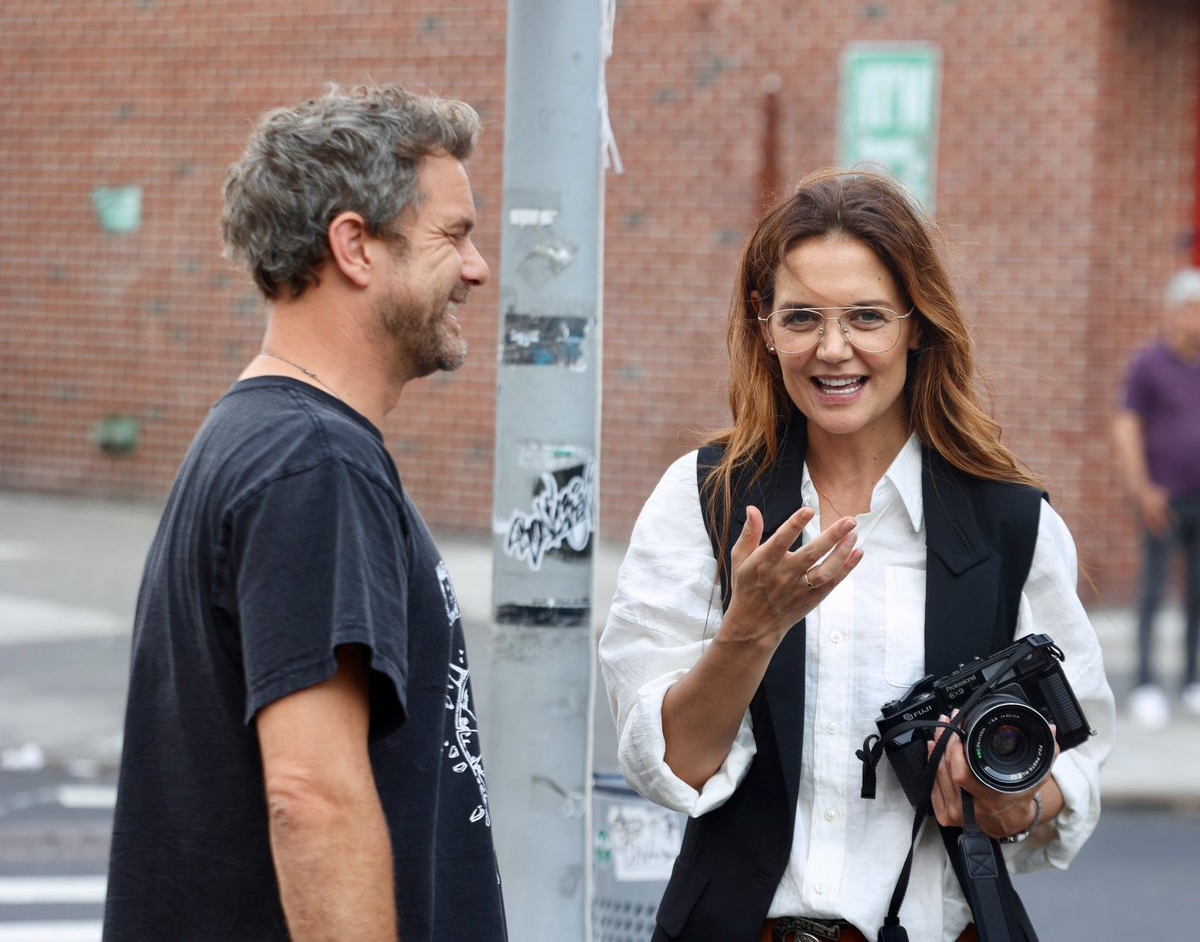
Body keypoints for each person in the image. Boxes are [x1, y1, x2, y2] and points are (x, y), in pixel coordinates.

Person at [599, 169, 1114, 942]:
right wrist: (751, 628)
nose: (833, 350)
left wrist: (1015, 798)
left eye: (867, 316)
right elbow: (671, 766)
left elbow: (1080, 755)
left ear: (917, 324)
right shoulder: (704, 499)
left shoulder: (1007, 521)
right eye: (802, 316)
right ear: (763, 322)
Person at [102, 85, 506, 941]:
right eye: (454, 236)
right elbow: (312, 796)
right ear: (355, 245)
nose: (476, 270)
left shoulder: (261, 440)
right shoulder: (313, 465)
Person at [1113, 266, 1200, 730]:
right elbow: (1127, 428)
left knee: (1198, 596)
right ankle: (1145, 683)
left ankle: (1192, 681)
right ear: (1175, 313)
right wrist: (1142, 488)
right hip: (1161, 500)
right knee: (1153, 591)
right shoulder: (1151, 365)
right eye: (1192, 309)